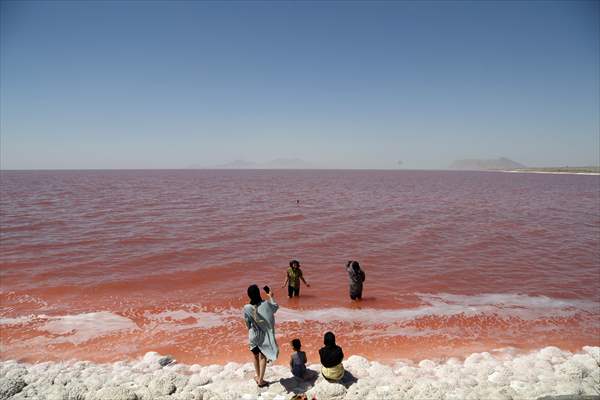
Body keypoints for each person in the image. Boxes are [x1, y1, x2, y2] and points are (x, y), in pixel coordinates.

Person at [243, 284, 279, 387]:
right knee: (263, 356)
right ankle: (261, 380)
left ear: (249, 296)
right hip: (264, 336)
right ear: (259, 293)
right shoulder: (266, 304)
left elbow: (247, 323)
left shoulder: (247, 308)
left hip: (253, 335)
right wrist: (271, 296)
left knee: (255, 356)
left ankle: (258, 377)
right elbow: (275, 307)